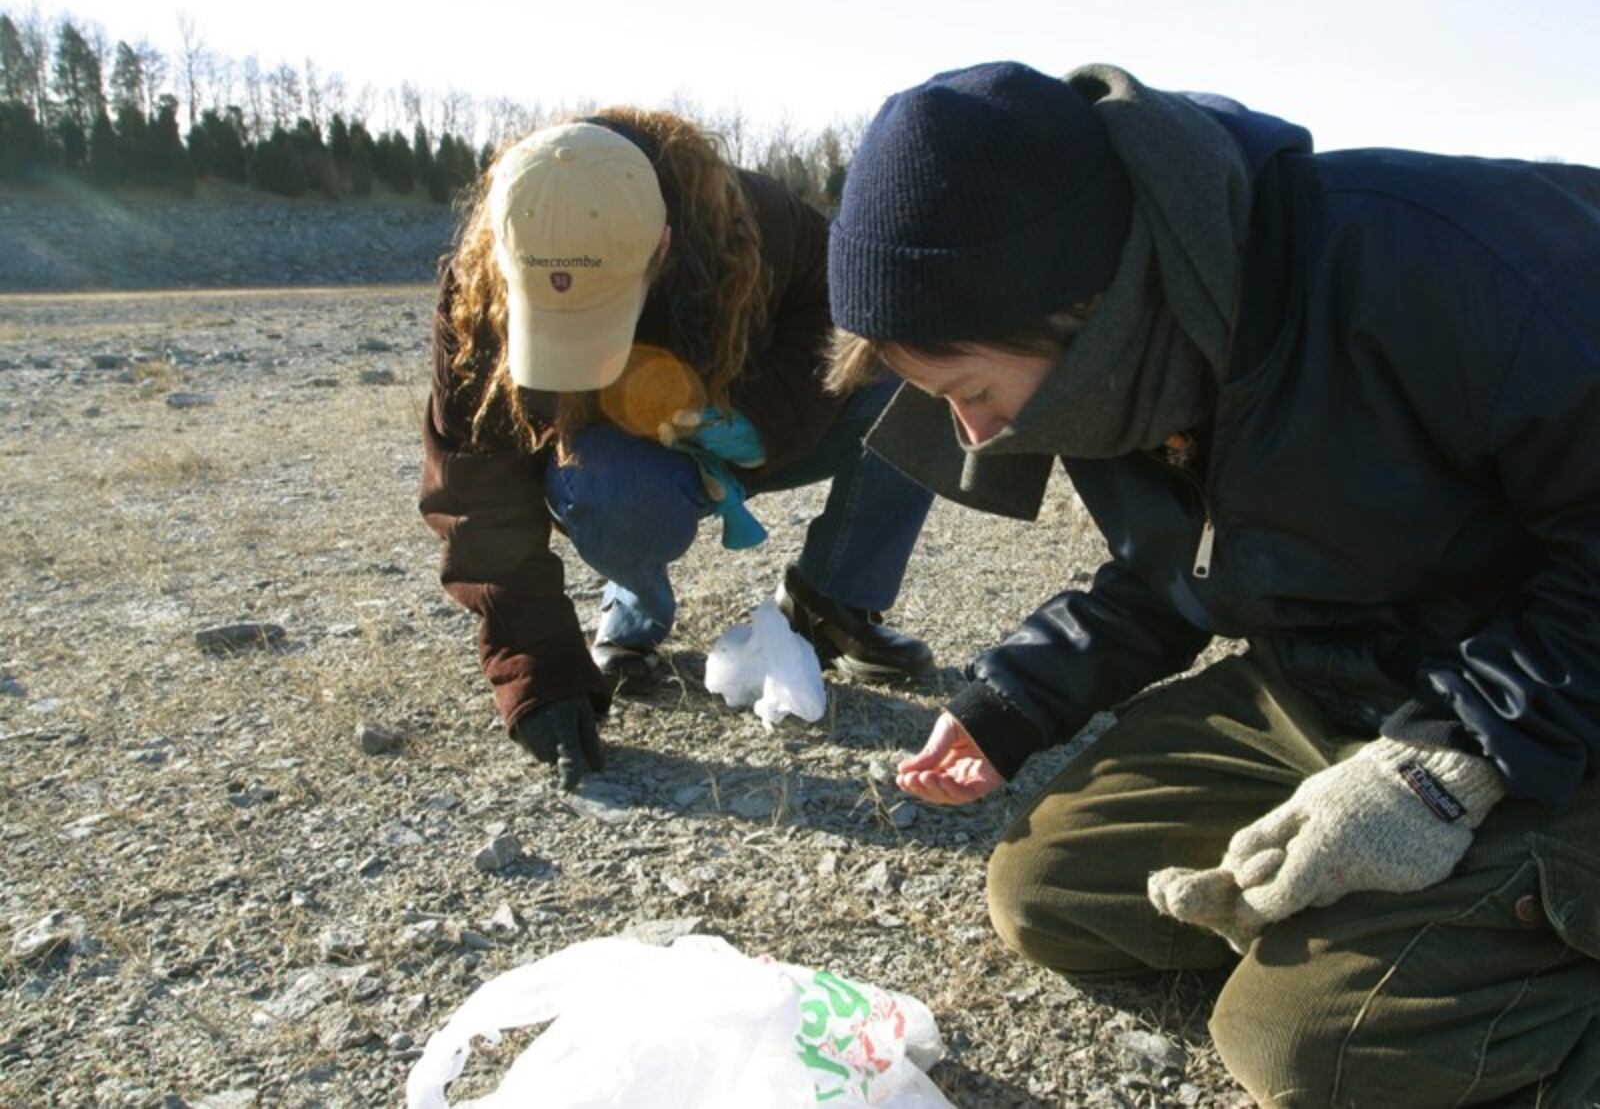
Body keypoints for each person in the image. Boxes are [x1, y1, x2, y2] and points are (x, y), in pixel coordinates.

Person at [825, 61, 1600, 1106]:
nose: (975, 436)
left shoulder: (1440, 264)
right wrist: (1013, 700)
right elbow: (1178, 567)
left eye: (969, 391)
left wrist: (1441, 766)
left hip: (1552, 704)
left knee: (1305, 1049)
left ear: (1081, 309)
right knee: (1048, 891)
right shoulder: (1137, 341)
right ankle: (1411, 936)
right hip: (1343, 679)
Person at [419, 110, 934, 792]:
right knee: (615, 490)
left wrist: (759, 419)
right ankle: (633, 611)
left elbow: (841, 313)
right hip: (624, 461)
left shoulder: (751, 218)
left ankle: (831, 601)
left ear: (662, 248)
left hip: (750, 419)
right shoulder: (481, 283)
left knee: (919, 379)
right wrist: (537, 672)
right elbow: (477, 491)